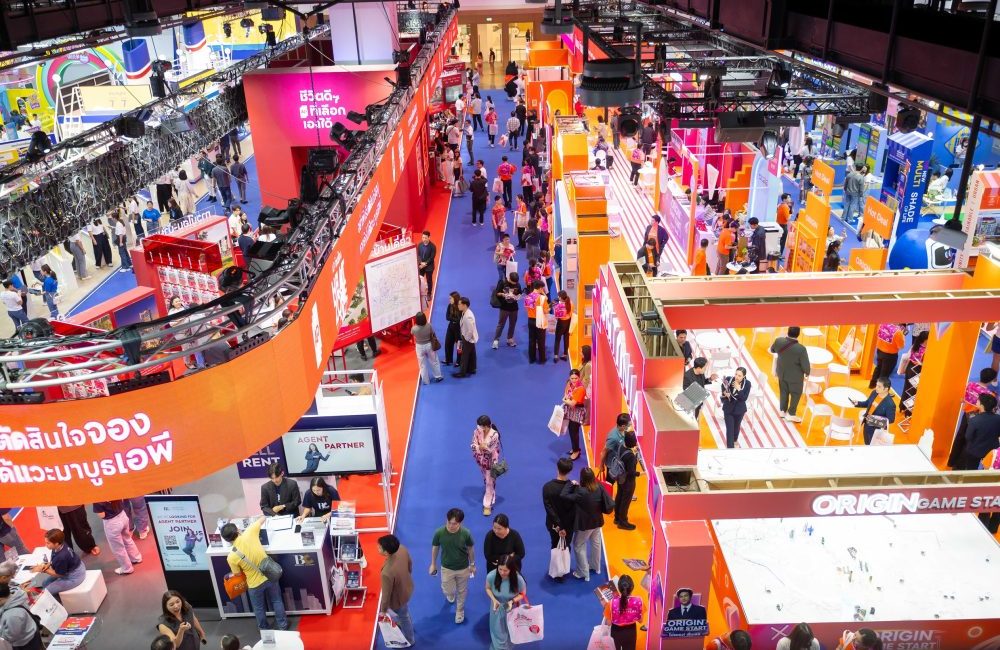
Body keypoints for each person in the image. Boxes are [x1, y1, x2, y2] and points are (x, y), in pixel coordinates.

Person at [222, 516, 288, 631]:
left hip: (254, 584)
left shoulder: (231, 557)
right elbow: (263, 518)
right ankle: (283, 626)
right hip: (270, 575)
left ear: (227, 540)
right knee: (277, 600)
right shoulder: (250, 532)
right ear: (237, 530)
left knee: (259, 608)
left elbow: (237, 574)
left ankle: (264, 630)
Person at [561, 467, 612, 581]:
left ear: (582, 478)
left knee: (578, 545)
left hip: (585, 525)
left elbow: (564, 495)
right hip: (597, 522)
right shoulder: (599, 487)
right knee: (596, 543)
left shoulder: (581, 492)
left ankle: (583, 572)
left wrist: (571, 484)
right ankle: (596, 567)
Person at [429, 507, 476, 624]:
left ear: (460, 523)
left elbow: (470, 549)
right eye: (449, 522)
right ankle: (450, 595)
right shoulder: (439, 532)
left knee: (462, 591)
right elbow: (435, 548)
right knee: (448, 590)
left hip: (463, 568)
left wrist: (472, 564)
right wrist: (433, 564)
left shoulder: (466, 533)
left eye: (454, 524)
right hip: (446, 568)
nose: (450, 526)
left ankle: (460, 610)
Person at [948, 367, 998, 468]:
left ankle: (952, 461)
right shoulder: (990, 395)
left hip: (966, 416)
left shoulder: (970, 385)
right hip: (979, 420)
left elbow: (962, 399)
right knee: (970, 443)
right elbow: (992, 409)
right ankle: (961, 465)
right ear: (991, 380)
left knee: (960, 438)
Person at [378, 534, 415, 646]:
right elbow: (410, 564)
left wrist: (383, 610)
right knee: (404, 613)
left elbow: (386, 594)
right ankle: (406, 625)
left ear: (386, 552)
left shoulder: (387, 572)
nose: (377, 548)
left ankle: (410, 640)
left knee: (403, 616)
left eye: (379, 547)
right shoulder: (402, 548)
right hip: (407, 587)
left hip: (398, 598)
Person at [486, 554, 527, 650]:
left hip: (512, 609)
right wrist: (494, 599)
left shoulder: (518, 579)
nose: (502, 572)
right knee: (497, 632)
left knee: (510, 632)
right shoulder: (491, 576)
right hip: (497, 607)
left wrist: (512, 601)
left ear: (511, 569)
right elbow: (488, 588)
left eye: (505, 570)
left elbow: (523, 593)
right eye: (500, 569)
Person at [541, 458, 576, 571]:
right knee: (567, 544)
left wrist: (559, 525)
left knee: (555, 544)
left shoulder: (547, 487)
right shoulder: (573, 488)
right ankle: (565, 568)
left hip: (553, 524)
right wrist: (564, 526)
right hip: (568, 525)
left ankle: (557, 570)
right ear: (569, 471)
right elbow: (573, 509)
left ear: (557, 468)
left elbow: (548, 508)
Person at [770, 327, 811, 422]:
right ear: (798, 334)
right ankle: (791, 413)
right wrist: (807, 372)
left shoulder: (778, 341)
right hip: (795, 378)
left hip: (781, 373)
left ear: (788, 332)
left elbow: (772, 350)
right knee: (796, 394)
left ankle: (782, 411)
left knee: (783, 391)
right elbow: (805, 365)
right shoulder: (801, 349)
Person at [31, 529, 86, 597]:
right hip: (75, 567)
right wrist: (48, 564)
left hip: (75, 577)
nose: (46, 545)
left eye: (48, 543)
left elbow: (59, 574)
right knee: (45, 583)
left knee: (47, 591)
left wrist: (43, 569)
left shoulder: (61, 557)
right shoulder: (60, 543)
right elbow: (55, 557)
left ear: (56, 543)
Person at [93, 500, 142, 575]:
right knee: (127, 539)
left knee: (118, 548)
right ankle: (136, 558)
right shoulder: (113, 492)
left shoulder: (96, 499)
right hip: (123, 515)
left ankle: (127, 568)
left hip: (112, 523)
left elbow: (102, 515)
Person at [955, 393, 1000, 471]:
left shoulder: (974, 420)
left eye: (978, 401)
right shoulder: (998, 418)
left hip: (975, 451)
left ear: (982, 406)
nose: (976, 401)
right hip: (991, 450)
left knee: (971, 469)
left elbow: (968, 436)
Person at [851, 376, 897, 445]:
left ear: (886, 389)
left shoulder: (890, 404)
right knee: (867, 442)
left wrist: (874, 420)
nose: (876, 388)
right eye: (876, 385)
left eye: (879, 386)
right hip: (867, 423)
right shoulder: (874, 393)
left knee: (872, 446)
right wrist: (858, 403)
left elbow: (890, 419)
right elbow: (868, 403)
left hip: (877, 429)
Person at [602, 574, 643, 650]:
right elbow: (640, 620)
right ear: (632, 587)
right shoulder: (638, 601)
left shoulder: (611, 603)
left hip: (616, 632)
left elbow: (609, 623)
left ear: (618, 588)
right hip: (631, 631)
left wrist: (606, 607)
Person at [471, 416, 501, 515]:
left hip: (491, 461)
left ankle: (487, 505)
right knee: (486, 479)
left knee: (489, 482)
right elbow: (473, 444)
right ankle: (491, 490)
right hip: (480, 459)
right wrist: (479, 447)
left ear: (486, 426)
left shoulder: (494, 435)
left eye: (480, 425)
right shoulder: (476, 431)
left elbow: (490, 450)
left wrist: (482, 447)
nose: (478, 427)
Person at [613, 432, 640, 531]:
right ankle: (623, 522)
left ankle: (617, 518)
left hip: (620, 477)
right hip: (628, 481)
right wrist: (640, 473)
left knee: (619, 496)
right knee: (625, 501)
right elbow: (631, 472)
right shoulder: (631, 456)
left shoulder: (621, 446)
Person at [0, 583, 40, 650]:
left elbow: (11, 636)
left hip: (25, 642)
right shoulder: (16, 595)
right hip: (28, 629)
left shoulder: (12, 616)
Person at [720, 367, 752, 448]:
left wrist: (739, 389)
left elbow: (744, 398)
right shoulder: (729, 379)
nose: (737, 377)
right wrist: (725, 392)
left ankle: (735, 440)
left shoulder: (747, 384)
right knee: (729, 429)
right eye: (736, 374)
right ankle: (730, 448)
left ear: (744, 376)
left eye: (739, 376)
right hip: (728, 408)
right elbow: (723, 385)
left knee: (736, 427)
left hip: (739, 410)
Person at [899, 330, 928, 417]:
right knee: (912, 391)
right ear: (925, 340)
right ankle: (908, 412)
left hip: (909, 368)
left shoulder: (915, 345)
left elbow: (908, 356)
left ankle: (902, 406)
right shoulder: (926, 350)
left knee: (906, 387)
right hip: (916, 371)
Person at [561, 369, 587, 461]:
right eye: (572, 378)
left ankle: (576, 452)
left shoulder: (580, 389)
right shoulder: (570, 383)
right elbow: (566, 392)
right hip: (570, 411)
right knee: (571, 430)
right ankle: (574, 448)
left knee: (574, 432)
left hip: (577, 412)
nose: (574, 380)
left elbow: (573, 403)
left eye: (576, 378)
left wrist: (564, 400)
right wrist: (566, 397)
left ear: (579, 378)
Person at [870, 323, 906, 388]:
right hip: (890, 355)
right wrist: (903, 336)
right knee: (885, 374)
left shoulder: (882, 324)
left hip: (880, 350)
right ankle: (880, 390)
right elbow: (901, 346)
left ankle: (872, 384)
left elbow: (877, 334)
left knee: (878, 368)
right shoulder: (898, 332)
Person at [412, 311, 444, 384]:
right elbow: (432, 333)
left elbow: (412, 333)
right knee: (434, 361)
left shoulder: (414, 328)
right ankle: (438, 376)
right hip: (429, 345)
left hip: (419, 347)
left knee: (422, 365)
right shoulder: (429, 325)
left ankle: (426, 381)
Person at [493, 272, 521, 349]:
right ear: (509, 279)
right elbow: (497, 293)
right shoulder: (502, 283)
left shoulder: (518, 284)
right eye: (513, 282)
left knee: (512, 324)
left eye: (515, 283)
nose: (514, 284)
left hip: (514, 308)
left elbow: (520, 293)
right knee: (501, 324)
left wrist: (518, 297)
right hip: (504, 307)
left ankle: (510, 339)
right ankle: (496, 340)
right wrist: (503, 294)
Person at [526, 280, 549, 364]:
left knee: (531, 339)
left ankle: (531, 359)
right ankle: (542, 359)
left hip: (530, 320)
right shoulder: (542, 298)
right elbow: (546, 311)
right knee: (541, 340)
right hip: (540, 320)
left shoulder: (527, 296)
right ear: (540, 288)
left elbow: (527, 308)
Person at [454, 297, 479, 378]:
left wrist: (466, 339)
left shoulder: (468, 317)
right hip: (468, 337)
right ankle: (472, 368)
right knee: (472, 353)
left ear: (464, 305)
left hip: (468, 338)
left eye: (459, 304)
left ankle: (462, 372)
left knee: (464, 355)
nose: (458, 305)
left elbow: (470, 331)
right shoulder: (465, 312)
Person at [443, 291, 463, 366]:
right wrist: (454, 319)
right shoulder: (449, 306)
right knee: (447, 343)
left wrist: (452, 319)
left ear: (455, 299)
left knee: (459, 345)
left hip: (459, 329)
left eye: (450, 298)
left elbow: (459, 320)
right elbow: (447, 317)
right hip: (451, 327)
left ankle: (459, 361)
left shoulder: (460, 307)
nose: (449, 300)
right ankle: (448, 359)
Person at [553, 290, 573, 362]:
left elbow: (556, 317)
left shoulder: (558, 306)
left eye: (559, 296)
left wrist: (554, 308)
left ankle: (556, 356)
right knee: (566, 338)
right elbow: (571, 313)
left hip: (561, 323)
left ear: (561, 298)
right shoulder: (570, 303)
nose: (558, 297)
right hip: (568, 322)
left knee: (557, 339)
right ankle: (565, 355)